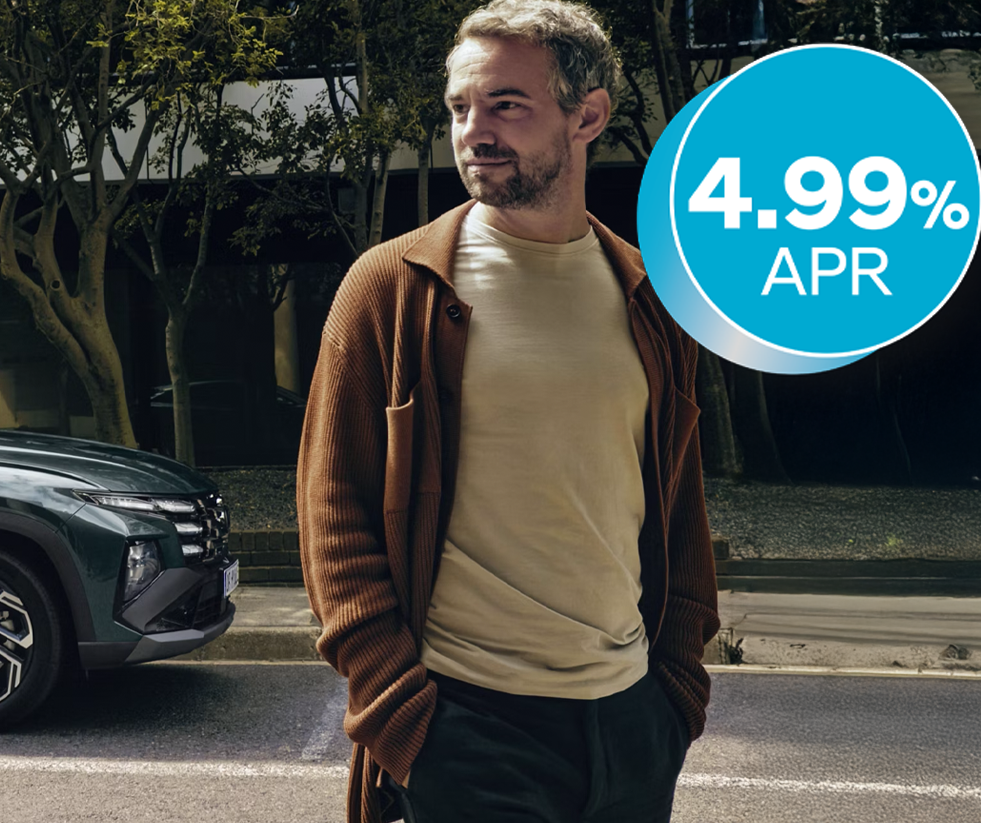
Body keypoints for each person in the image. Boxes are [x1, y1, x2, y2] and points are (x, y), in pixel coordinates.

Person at [295, 1, 719, 821]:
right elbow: (330, 513)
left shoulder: (653, 298)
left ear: (587, 113)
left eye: (506, 105)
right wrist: (405, 718)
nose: (474, 131)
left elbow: (676, 502)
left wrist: (675, 694)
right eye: (460, 108)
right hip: (467, 726)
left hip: (630, 723)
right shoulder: (392, 289)